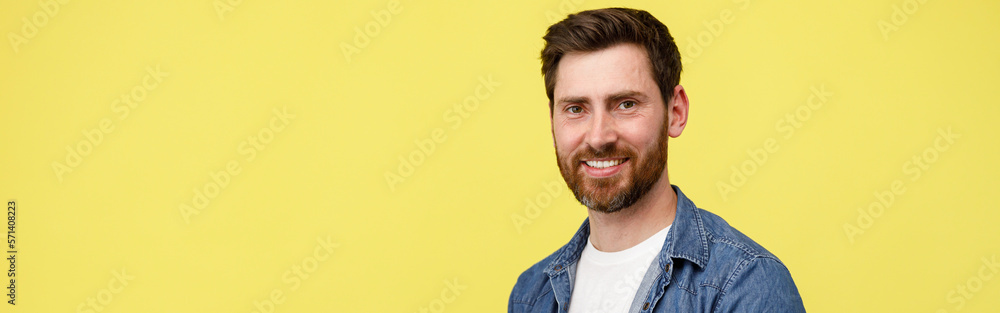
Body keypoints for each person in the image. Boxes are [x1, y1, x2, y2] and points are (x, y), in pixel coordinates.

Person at [508, 8, 806, 313]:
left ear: (675, 112)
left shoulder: (745, 284)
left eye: (626, 104)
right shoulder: (532, 293)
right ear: (552, 120)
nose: (598, 137)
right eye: (575, 109)